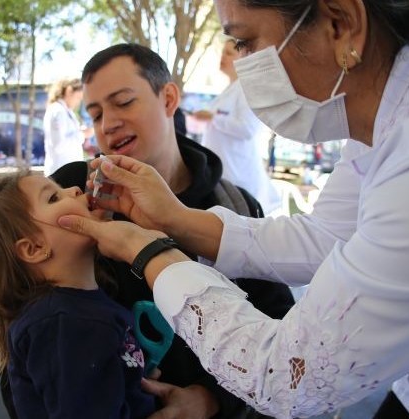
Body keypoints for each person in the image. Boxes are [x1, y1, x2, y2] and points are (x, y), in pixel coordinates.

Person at [56, 1, 409, 418]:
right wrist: (176, 219)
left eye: (245, 43)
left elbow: (286, 376)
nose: (240, 64)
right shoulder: (405, 109)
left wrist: (152, 251)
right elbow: (326, 234)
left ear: (341, 23)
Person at [51, 43, 295, 418]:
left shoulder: (234, 206)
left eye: (123, 102)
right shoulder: (72, 192)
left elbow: (278, 328)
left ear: (168, 99)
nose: (108, 124)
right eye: (96, 113)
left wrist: (214, 399)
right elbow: (19, 308)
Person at [0, 171, 155, 418]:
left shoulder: (74, 312)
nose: (75, 190)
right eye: (54, 198)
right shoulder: (67, 325)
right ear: (35, 248)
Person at [194, 39, 282, 214]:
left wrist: (213, 118)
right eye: (222, 52)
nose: (222, 57)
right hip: (222, 174)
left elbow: (248, 129)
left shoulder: (247, 90)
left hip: (238, 177)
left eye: (229, 53)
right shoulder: (228, 91)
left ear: (243, 58)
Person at [42, 78, 90, 175]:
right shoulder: (58, 111)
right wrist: (83, 134)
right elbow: (59, 145)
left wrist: (80, 131)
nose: (78, 103)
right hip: (60, 172)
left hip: (66, 171)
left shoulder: (66, 111)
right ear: (69, 91)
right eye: (78, 98)